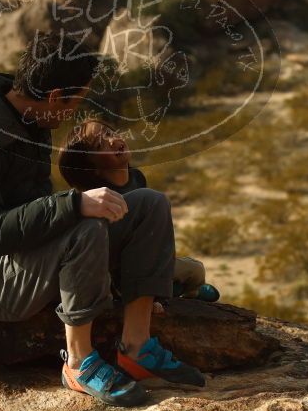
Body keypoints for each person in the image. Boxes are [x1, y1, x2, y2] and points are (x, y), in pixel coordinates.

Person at [0, 31, 205, 408]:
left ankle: (137, 347)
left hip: (26, 257)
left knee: (148, 204)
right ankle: (78, 363)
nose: (74, 113)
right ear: (56, 97)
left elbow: (37, 212)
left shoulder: (27, 121)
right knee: (84, 224)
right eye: (77, 102)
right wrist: (72, 206)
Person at [57, 118, 220, 315]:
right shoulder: (99, 198)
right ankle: (163, 292)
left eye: (109, 133)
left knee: (196, 270)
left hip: (148, 264)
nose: (111, 141)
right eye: (100, 145)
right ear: (93, 168)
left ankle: (187, 291)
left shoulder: (137, 178)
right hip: (121, 277)